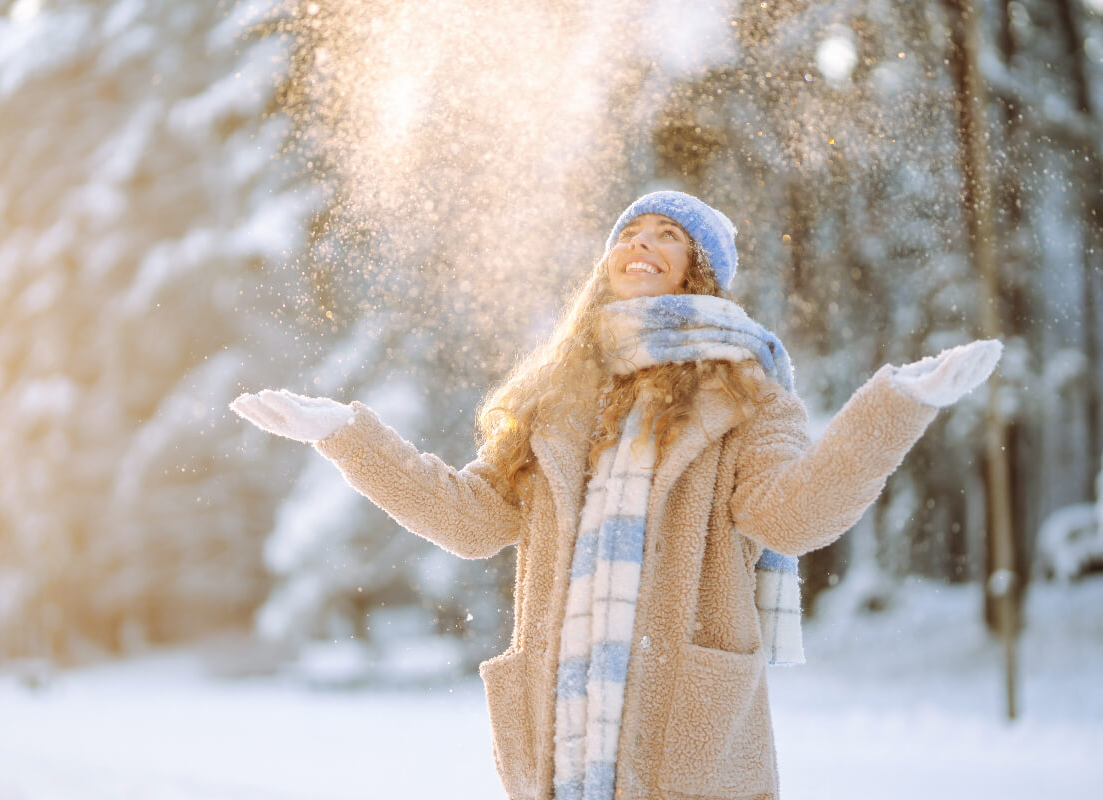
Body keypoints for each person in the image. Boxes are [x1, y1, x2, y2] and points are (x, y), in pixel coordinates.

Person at [230, 190, 1002, 800]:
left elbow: (793, 516)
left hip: (681, 750)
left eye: (668, 234)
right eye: (630, 234)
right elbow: (470, 520)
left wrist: (897, 406)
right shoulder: (558, 398)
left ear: (700, 267)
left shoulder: (745, 393)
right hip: (563, 741)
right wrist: (345, 435)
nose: (642, 244)